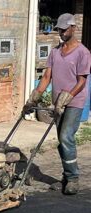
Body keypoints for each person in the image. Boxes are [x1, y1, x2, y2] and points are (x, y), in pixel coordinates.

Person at [23, 13, 91, 195]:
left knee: (66, 137)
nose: (61, 32)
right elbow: (46, 77)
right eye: (59, 29)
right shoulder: (54, 52)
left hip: (75, 102)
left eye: (64, 29)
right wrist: (33, 98)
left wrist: (66, 97)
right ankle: (66, 178)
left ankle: (73, 178)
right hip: (58, 103)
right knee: (62, 140)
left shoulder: (82, 52)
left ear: (73, 28)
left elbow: (82, 81)